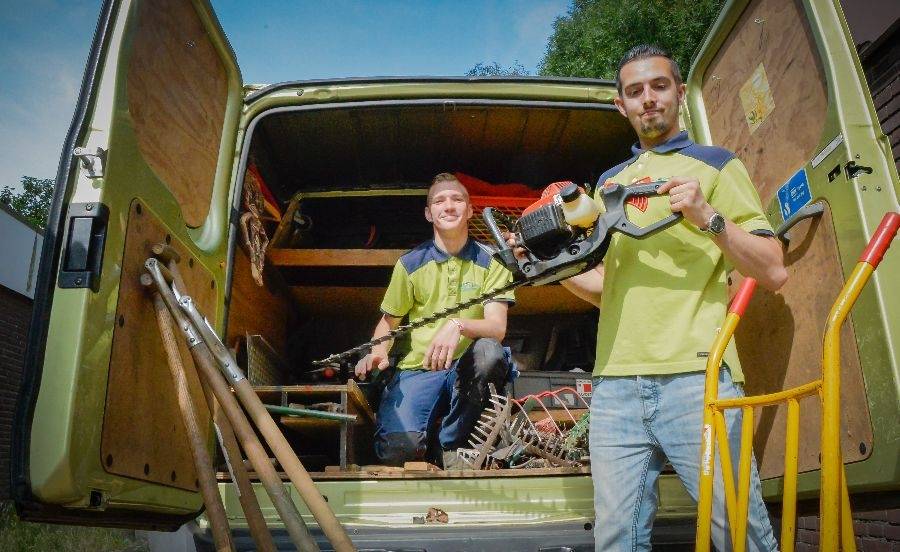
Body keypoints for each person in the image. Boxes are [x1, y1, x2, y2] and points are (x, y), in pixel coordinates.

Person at [562, 45, 787, 550]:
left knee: (737, 532)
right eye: (635, 91)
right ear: (621, 105)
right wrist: (549, 270)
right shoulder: (607, 186)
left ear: (680, 94)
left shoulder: (716, 166)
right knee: (617, 537)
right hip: (616, 386)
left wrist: (707, 216)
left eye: (659, 86)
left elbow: (774, 269)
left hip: (698, 377)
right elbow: (608, 289)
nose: (648, 100)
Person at [355, 172, 515, 469]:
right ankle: (426, 438)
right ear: (429, 213)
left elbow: (497, 328)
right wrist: (377, 353)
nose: (449, 206)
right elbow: (388, 323)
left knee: (489, 352)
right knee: (397, 452)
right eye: (440, 201)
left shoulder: (493, 261)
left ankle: (451, 443)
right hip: (419, 369)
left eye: (457, 200)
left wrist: (457, 325)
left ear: (469, 211)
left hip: (467, 372)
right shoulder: (410, 264)